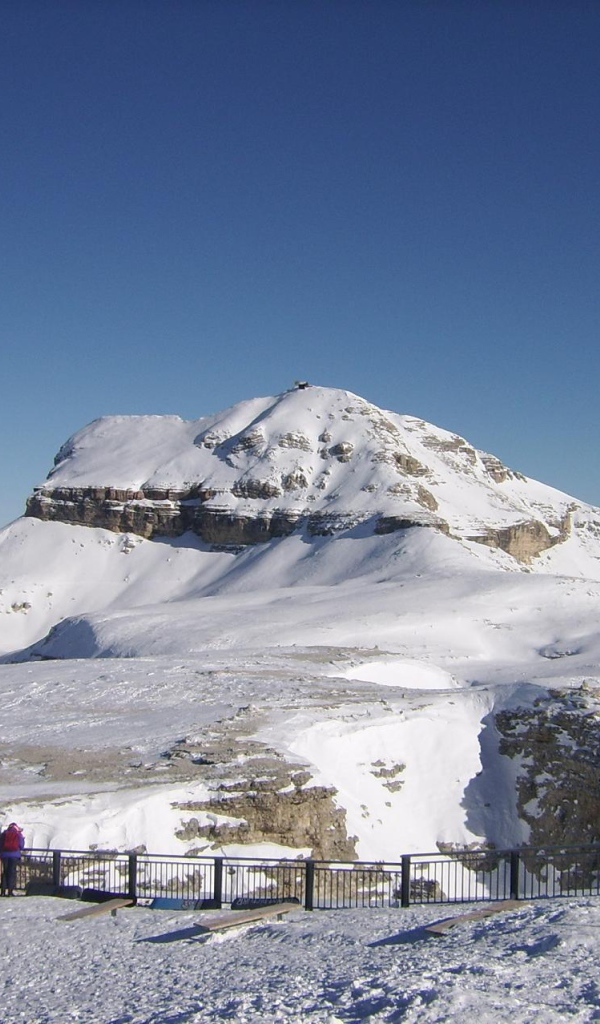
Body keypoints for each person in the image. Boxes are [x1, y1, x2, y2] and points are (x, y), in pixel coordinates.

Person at [0, 822, 25, 896]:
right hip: (14, 855)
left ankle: (3, 891)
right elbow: (21, 846)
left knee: (5, 872)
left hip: (4, 855)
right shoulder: (18, 834)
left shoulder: (4, 834)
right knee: (12, 873)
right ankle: (10, 891)